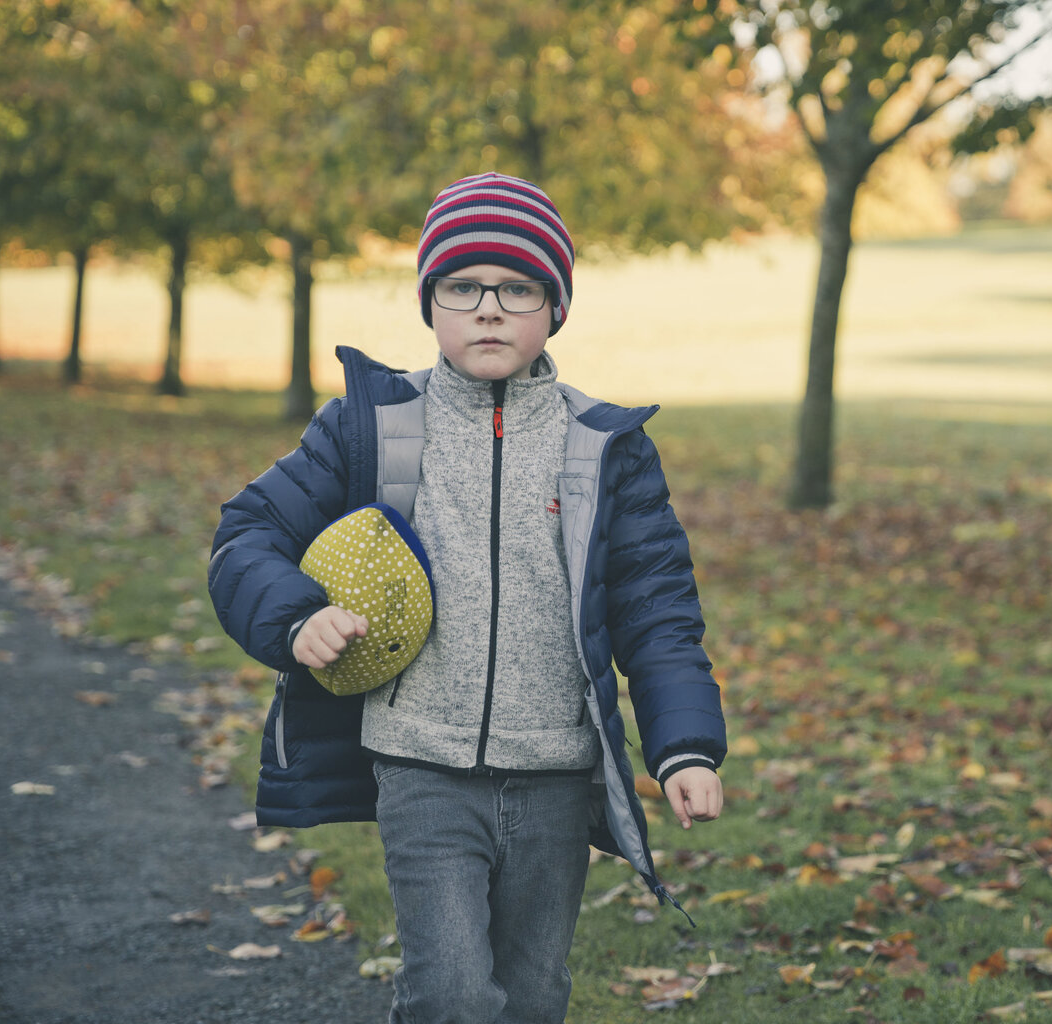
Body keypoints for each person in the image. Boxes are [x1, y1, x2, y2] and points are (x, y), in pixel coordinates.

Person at [208, 172, 727, 1023]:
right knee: (450, 993)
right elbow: (248, 533)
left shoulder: (605, 447)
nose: (489, 307)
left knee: (530, 997)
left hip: (556, 775)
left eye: (518, 287)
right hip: (420, 767)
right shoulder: (370, 424)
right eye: (462, 286)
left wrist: (686, 747)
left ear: (555, 307)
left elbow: (657, 609)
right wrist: (296, 615)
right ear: (430, 304)